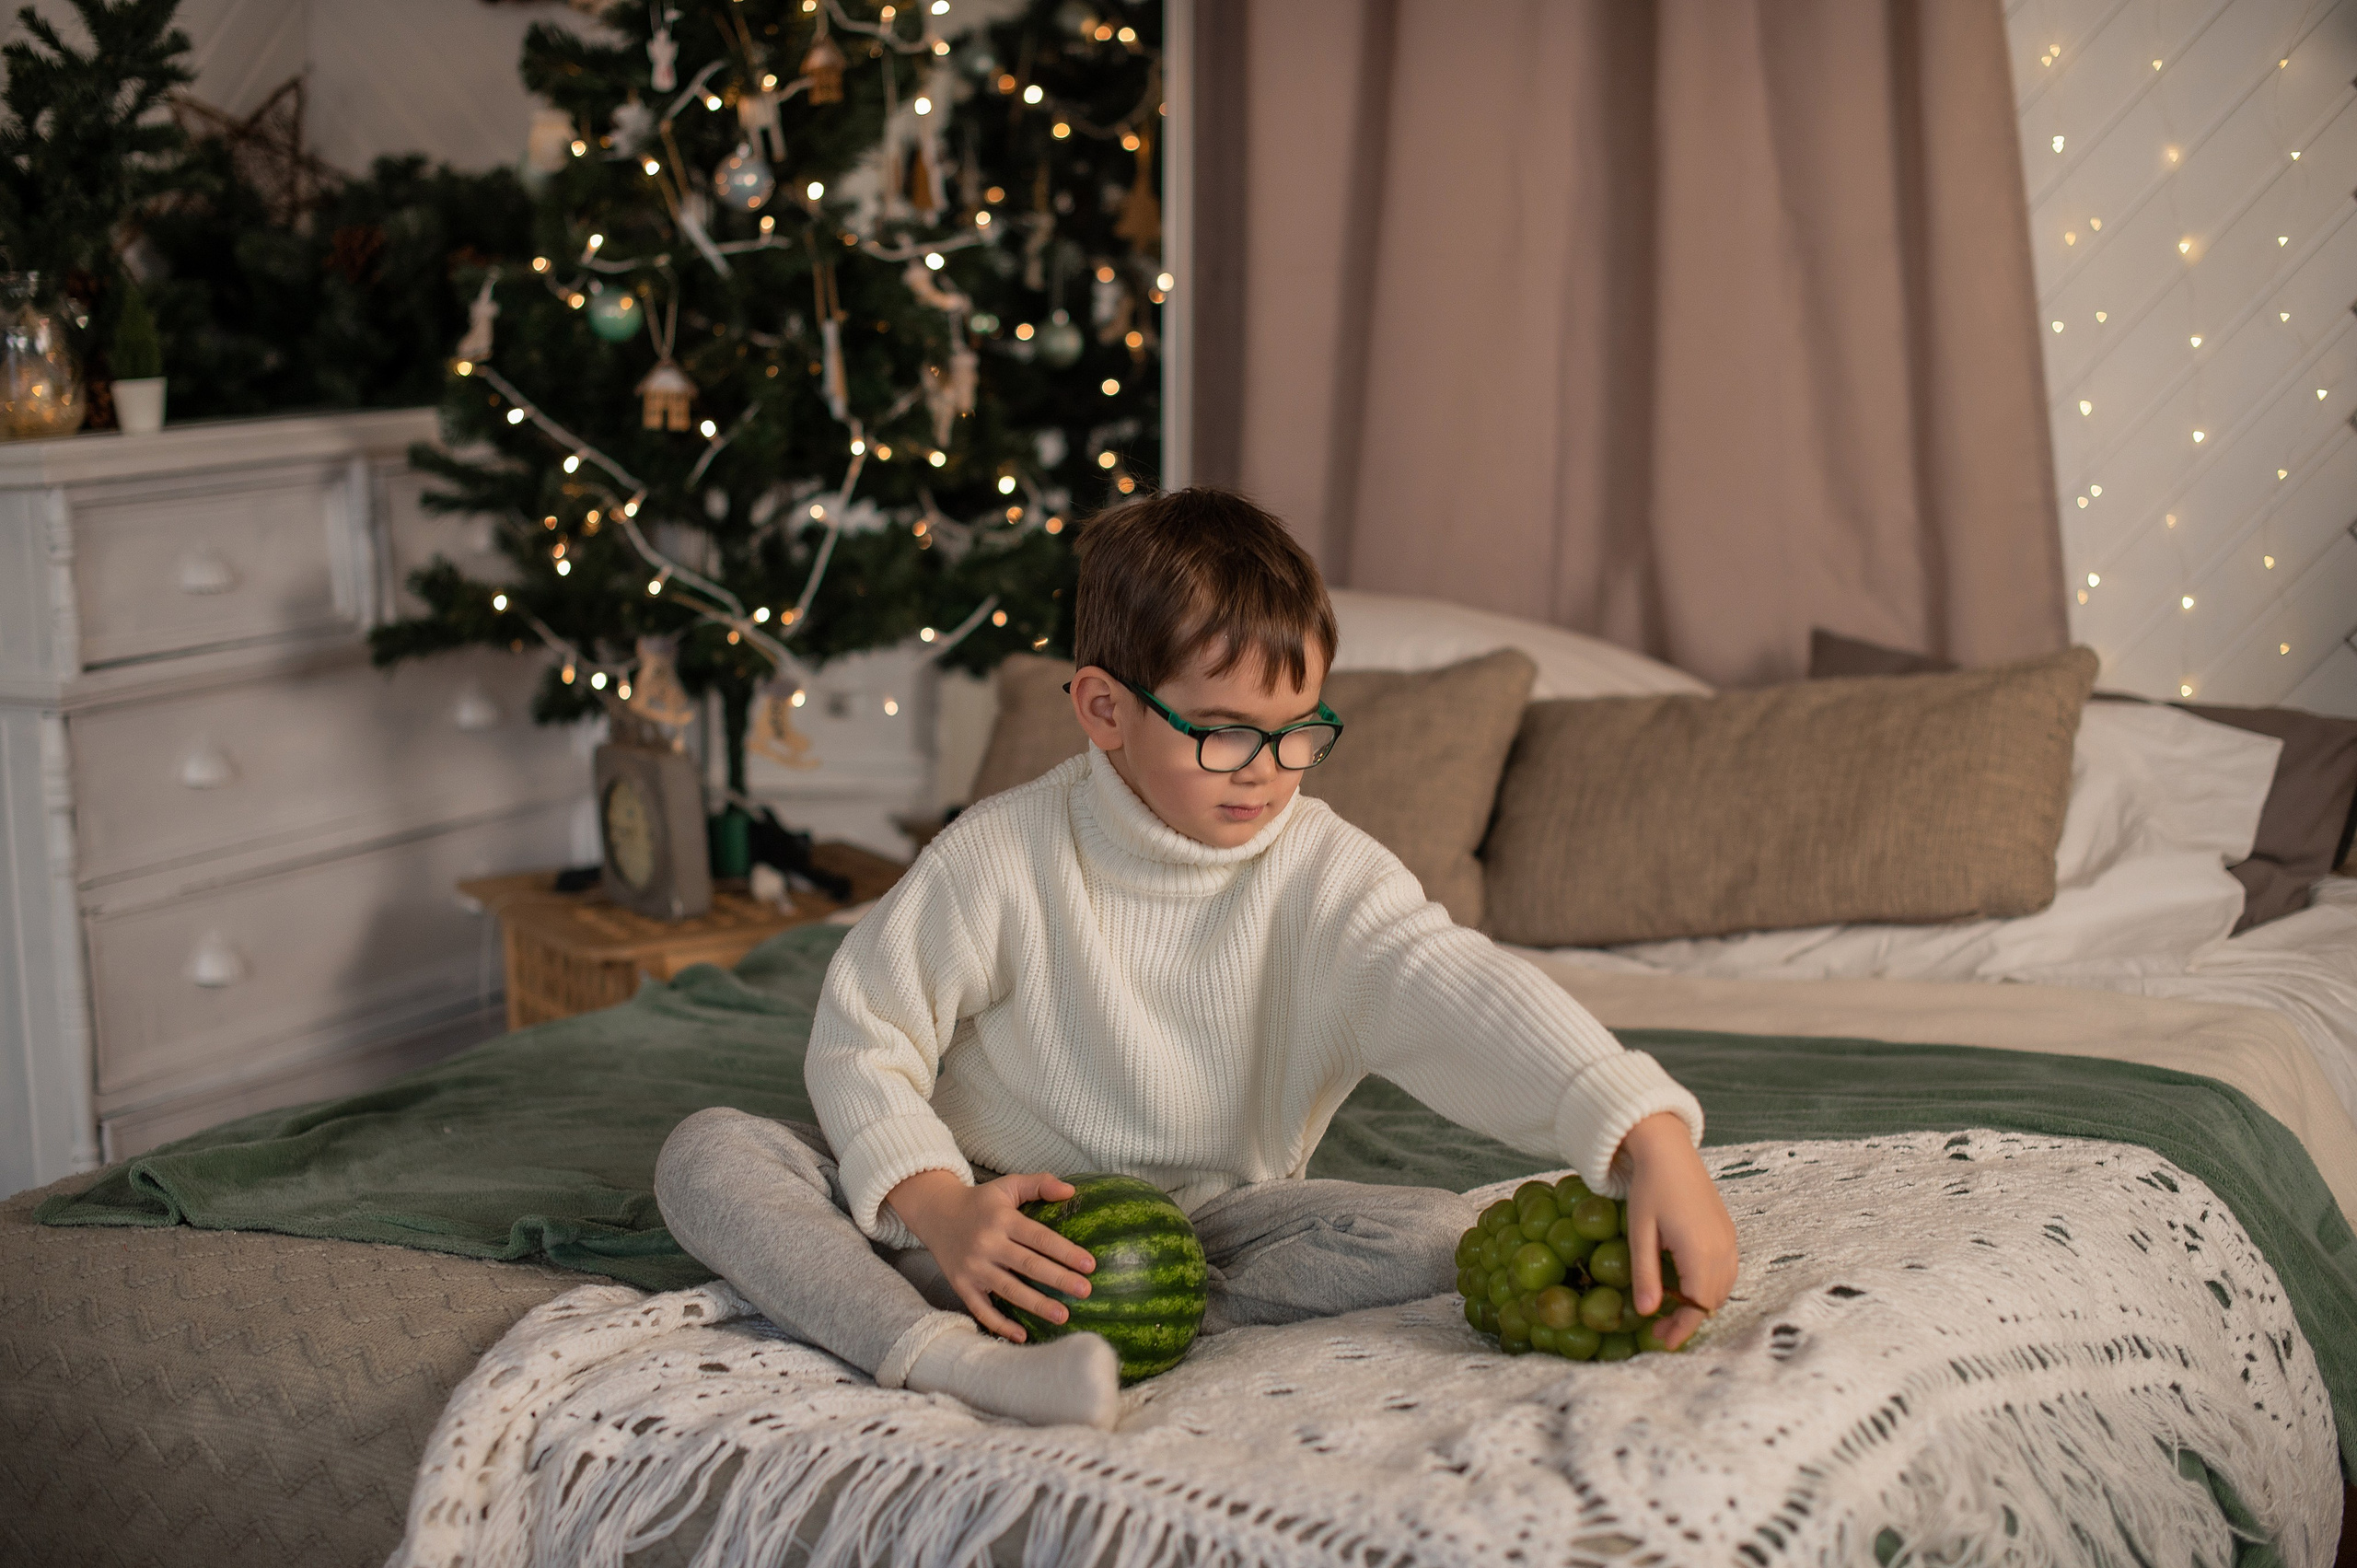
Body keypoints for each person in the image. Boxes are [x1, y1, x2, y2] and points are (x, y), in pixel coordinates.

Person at [656, 487, 1737, 1431]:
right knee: (709, 1153)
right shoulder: (1000, 853)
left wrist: (1643, 1131)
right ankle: (947, 1346)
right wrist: (939, 1206)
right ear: (1105, 709)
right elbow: (864, 1036)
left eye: (1297, 731)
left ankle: (1114, 1316)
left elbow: (1451, 983)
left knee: (1432, 1234)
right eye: (1221, 732)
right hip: (980, 1199)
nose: (1265, 770)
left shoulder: (1327, 874)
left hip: (1206, 1224)